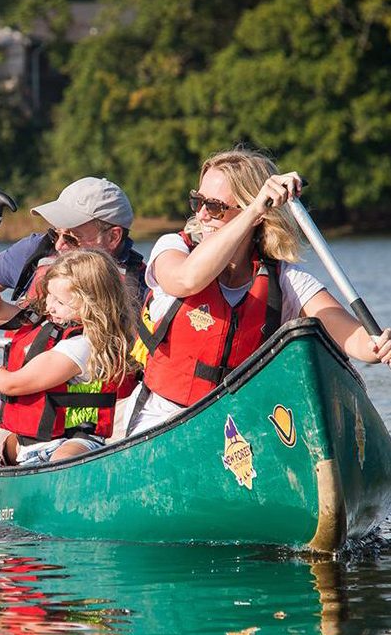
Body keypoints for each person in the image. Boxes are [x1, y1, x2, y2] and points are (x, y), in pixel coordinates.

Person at [125, 147, 391, 436]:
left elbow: (357, 341)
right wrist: (253, 209)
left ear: (259, 216)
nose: (201, 214)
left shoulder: (284, 281)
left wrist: (378, 346)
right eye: (197, 201)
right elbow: (186, 280)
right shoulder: (173, 249)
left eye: (214, 206)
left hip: (239, 426)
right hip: (163, 419)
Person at [0, 249, 138, 465]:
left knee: (63, 459)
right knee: (7, 445)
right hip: (30, 445)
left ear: (92, 305)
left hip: (71, 441)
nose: (49, 306)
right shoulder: (52, 321)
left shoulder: (82, 345)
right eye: (49, 296)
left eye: (60, 302)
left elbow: (12, 384)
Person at [0, 176, 146, 354]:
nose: (59, 245)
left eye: (72, 238)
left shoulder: (144, 284)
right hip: (23, 380)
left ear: (113, 237)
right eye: (55, 233)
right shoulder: (37, 248)